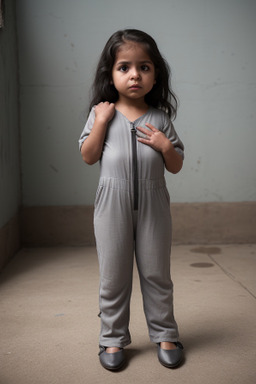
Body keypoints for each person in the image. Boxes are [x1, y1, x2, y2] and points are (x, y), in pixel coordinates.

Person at [79, 29, 184, 371]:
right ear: (110, 75)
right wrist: (101, 121)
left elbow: (176, 165)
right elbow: (88, 156)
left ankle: (165, 334)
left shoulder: (160, 119)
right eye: (124, 67)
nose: (135, 74)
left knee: (157, 274)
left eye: (145, 67)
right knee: (114, 276)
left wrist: (166, 146)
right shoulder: (102, 116)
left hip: (154, 206)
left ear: (156, 75)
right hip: (112, 205)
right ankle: (111, 338)